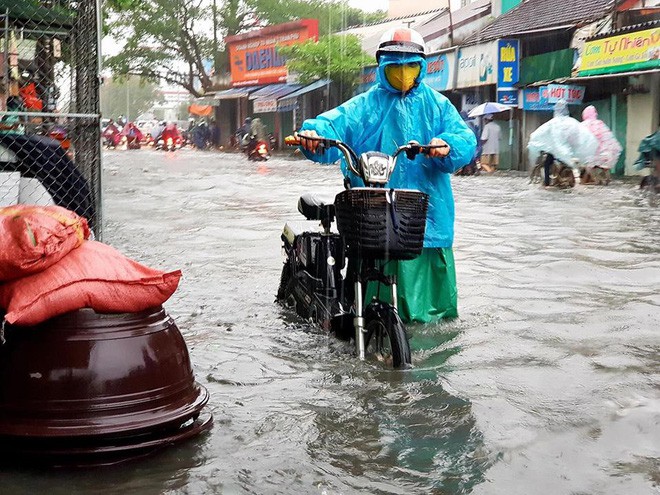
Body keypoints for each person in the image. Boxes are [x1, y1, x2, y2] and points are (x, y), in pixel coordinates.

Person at [298, 26, 477, 323]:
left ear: (421, 67)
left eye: (411, 65)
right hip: (373, 218)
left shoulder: (438, 106)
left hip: (428, 221)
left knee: (438, 325)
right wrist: (313, 135)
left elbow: (464, 139)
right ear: (383, 66)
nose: (403, 72)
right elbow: (333, 124)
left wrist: (447, 146)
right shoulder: (364, 106)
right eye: (396, 65)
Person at [579, 105, 622, 184]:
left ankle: (594, 179)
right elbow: (608, 138)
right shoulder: (600, 124)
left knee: (589, 169)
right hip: (602, 153)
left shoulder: (583, 125)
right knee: (604, 169)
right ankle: (605, 179)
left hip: (589, 155)